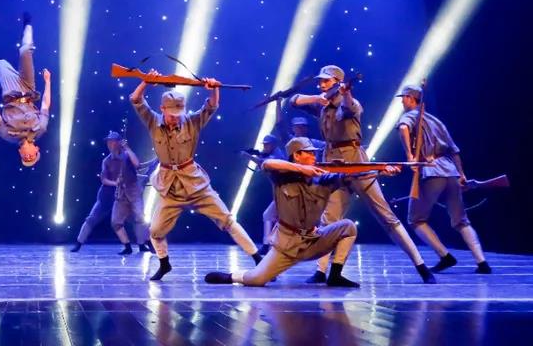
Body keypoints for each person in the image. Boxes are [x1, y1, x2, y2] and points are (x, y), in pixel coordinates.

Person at [288, 65, 435, 284]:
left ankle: (421, 266)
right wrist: (317, 99)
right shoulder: (323, 105)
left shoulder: (350, 104)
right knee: (329, 220)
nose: (321, 85)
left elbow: (348, 107)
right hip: (333, 165)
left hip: (355, 161)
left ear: (338, 83)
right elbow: (293, 100)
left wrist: (346, 93)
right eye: (320, 81)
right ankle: (322, 271)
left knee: (386, 216)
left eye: (326, 81)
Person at [204, 137, 400, 288]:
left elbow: (352, 176)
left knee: (348, 227)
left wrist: (379, 171)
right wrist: (301, 169)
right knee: (256, 280)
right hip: (287, 246)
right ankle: (231, 276)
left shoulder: (322, 179)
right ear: (296, 156)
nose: (314, 157)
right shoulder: (281, 177)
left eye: (314, 154)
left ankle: (335, 275)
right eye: (309, 153)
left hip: (313, 241)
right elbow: (267, 164)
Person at [130, 71, 261, 281]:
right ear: (162, 109)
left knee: (227, 220)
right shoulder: (153, 121)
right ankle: (164, 263)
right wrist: (145, 82)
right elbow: (136, 99)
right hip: (170, 187)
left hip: (195, 183)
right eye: (171, 113)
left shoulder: (191, 122)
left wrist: (214, 89)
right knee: (155, 230)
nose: (175, 117)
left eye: (178, 112)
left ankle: (258, 259)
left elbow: (211, 107)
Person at [396, 85, 491, 274]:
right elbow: (454, 150)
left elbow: (403, 127)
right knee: (461, 220)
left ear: (410, 98)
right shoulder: (436, 121)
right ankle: (482, 262)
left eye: (403, 98)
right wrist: (461, 174)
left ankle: (445, 256)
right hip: (451, 171)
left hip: (432, 171)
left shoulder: (411, 116)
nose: (402, 102)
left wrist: (409, 155)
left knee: (415, 219)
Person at [0, 13, 52, 167]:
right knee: (25, 51)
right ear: (37, 149)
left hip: (11, 92)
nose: (28, 156)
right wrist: (48, 82)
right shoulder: (41, 128)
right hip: (28, 89)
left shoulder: (7, 135)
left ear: (20, 153)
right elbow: (45, 105)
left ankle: (12, 69)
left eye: (25, 158)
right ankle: (28, 24)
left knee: (0, 63)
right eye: (32, 157)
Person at [70, 132, 153, 254]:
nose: (110, 144)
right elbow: (104, 179)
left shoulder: (127, 156)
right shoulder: (107, 161)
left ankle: (143, 244)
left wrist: (129, 149)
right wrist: (116, 183)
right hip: (108, 195)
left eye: (113, 142)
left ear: (119, 143)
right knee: (93, 218)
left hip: (125, 194)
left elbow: (137, 165)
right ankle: (79, 243)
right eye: (109, 142)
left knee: (138, 218)